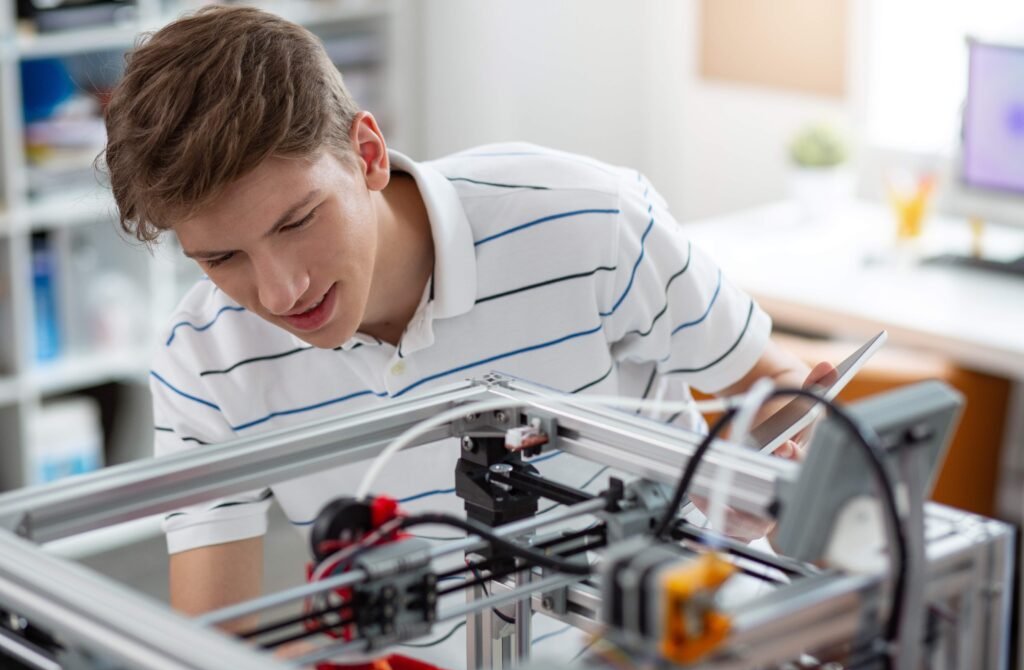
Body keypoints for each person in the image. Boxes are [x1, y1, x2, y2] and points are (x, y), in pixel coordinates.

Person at [102, 6, 827, 627]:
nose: (281, 290)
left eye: (297, 221)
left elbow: (774, 383)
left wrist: (760, 477)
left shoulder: (591, 219)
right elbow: (212, 641)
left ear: (367, 153)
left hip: (675, 644)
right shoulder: (201, 361)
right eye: (223, 258)